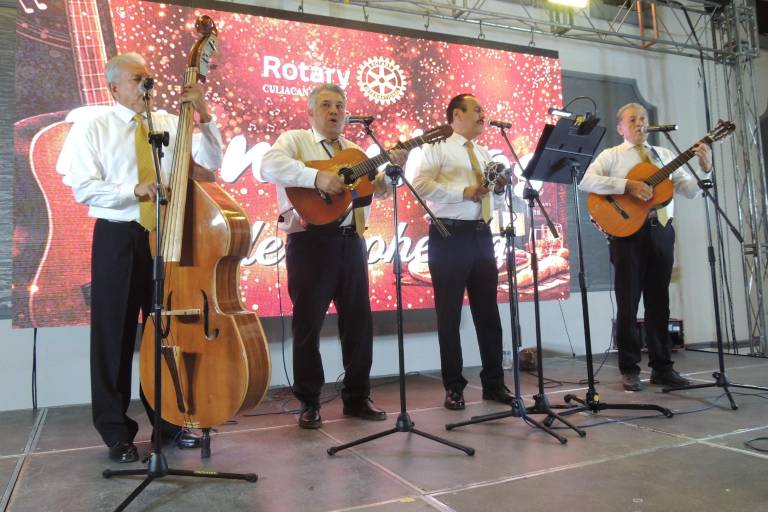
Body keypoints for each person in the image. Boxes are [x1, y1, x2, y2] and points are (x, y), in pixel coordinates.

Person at [59, 53, 222, 462]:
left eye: (150, 77)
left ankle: (168, 421)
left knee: (164, 331)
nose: (148, 85)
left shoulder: (167, 122)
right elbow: (83, 187)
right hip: (118, 234)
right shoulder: (93, 127)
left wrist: (205, 116)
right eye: (138, 79)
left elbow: (212, 167)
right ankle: (116, 432)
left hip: (166, 234)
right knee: (113, 335)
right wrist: (134, 190)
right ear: (113, 87)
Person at [260, 83, 404, 429]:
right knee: (307, 325)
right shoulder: (295, 141)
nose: (334, 111)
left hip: (351, 241)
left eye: (340, 105)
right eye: (326, 105)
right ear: (310, 112)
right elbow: (268, 166)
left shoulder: (355, 151)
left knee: (358, 322)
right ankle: (309, 402)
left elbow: (377, 191)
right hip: (310, 242)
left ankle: (357, 397)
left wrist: (392, 173)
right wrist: (316, 177)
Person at [579, 102, 712, 391]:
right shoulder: (611, 155)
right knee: (628, 303)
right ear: (621, 127)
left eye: (643, 118)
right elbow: (586, 181)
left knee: (659, 303)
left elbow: (691, 191)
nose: (640, 123)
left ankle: (662, 368)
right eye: (632, 119)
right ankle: (629, 368)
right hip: (627, 234)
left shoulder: (664, 155)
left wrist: (705, 168)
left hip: (661, 231)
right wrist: (628, 186)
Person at [412, 93, 513, 410]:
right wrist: (462, 192)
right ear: (457, 115)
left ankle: (494, 384)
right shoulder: (436, 147)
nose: (484, 114)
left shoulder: (484, 152)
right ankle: (454, 387)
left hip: (482, 236)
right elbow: (420, 184)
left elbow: (487, 198)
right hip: (448, 235)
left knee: (488, 314)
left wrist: (496, 189)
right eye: (477, 110)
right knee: (449, 315)